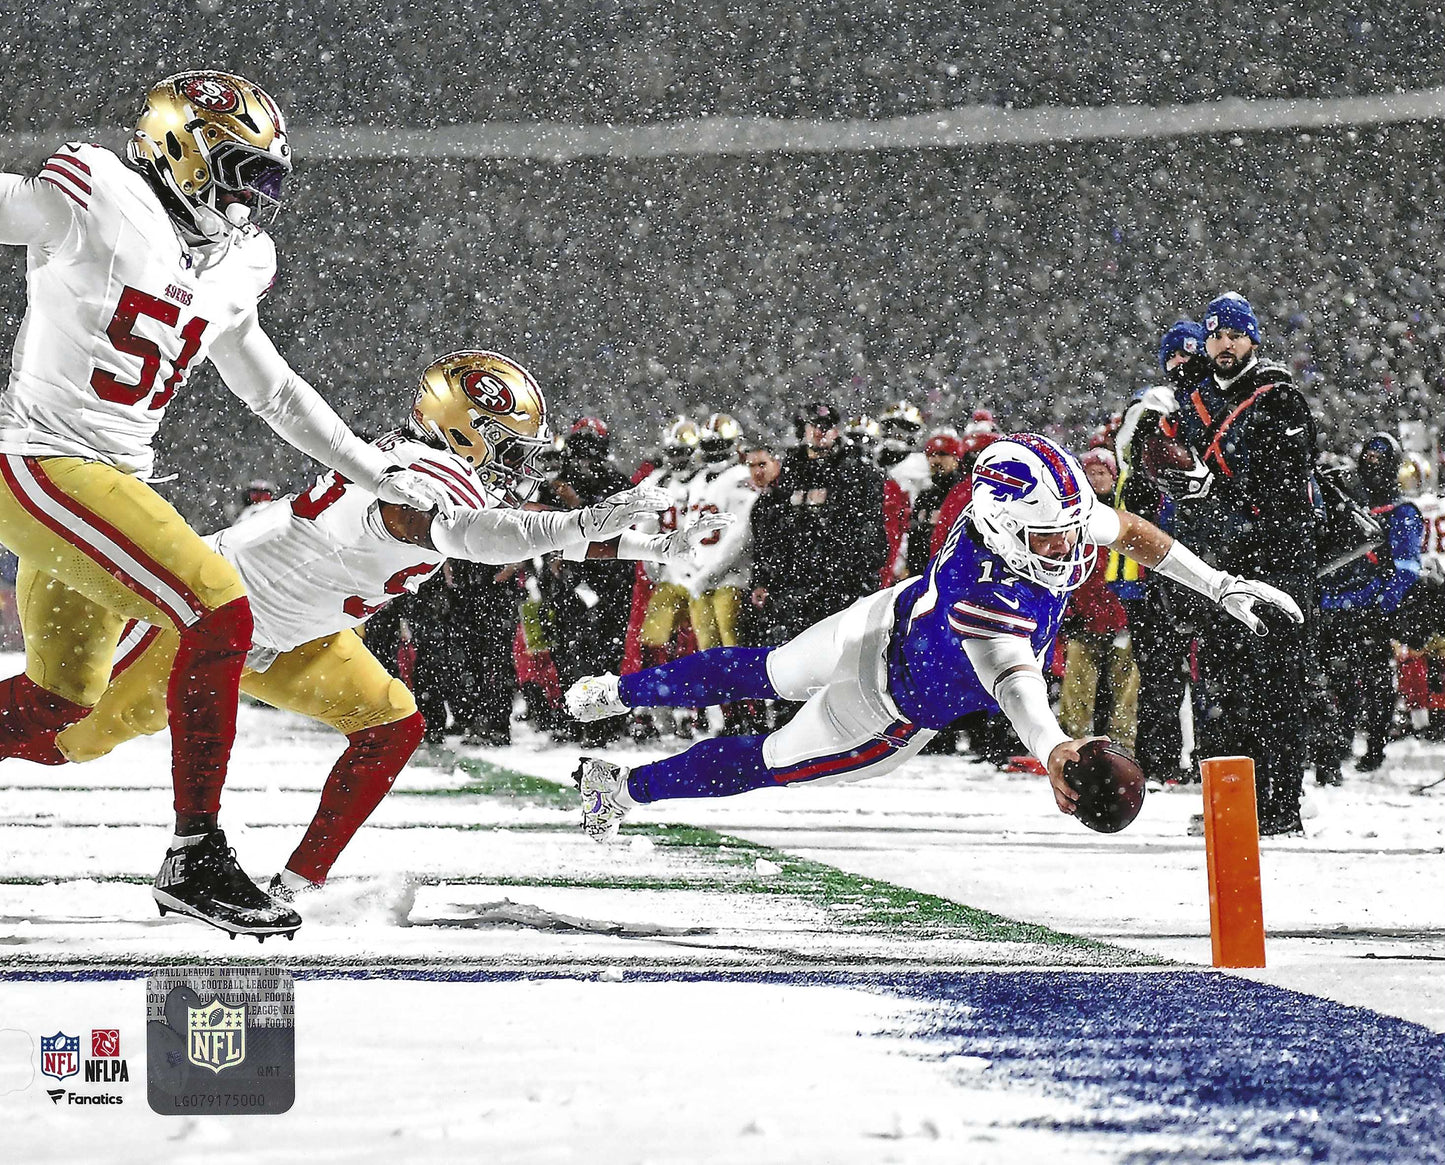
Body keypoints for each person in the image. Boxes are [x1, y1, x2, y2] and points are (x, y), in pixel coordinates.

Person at [0, 71, 459, 938]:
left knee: (59, 707)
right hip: (40, 458)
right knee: (218, 607)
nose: (251, 197)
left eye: (263, 178)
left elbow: (274, 393)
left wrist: (368, 467)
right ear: (180, 146)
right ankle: (195, 855)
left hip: (113, 477)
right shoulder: (97, 192)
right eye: (240, 169)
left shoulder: (235, 260)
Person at [27, 351, 723, 895]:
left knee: (391, 723)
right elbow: (470, 535)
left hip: (296, 633)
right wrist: (573, 521)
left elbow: (515, 532)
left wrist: (650, 545)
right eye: (508, 447)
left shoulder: (449, 476)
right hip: (207, 620)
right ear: (463, 431)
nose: (519, 465)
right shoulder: (416, 472)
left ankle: (298, 882)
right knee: (66, 738)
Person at [563, 433, 1302, 840]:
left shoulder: (1031, 519)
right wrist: (1056, 753)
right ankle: (620, 787)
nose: (1067, 549)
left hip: (888, 617)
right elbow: (1017, 687)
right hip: (884, 708)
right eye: (1048, 539)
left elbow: (1130, 530)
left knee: (769, 671)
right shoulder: (989, 599)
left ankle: (613, 693)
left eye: (1070, 530)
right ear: (1007, 525)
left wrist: (1218, 582)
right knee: (765, 754)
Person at [1167, 293, 1318, 835]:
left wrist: (1221, 492)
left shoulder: (1281, 399)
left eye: (1234, 334)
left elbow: (1284, 494)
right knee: (1219, 695)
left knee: (1277, 691)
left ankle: (1281, 809)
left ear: (1253, 338)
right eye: (1215, 335)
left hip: (1278, 569)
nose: (1223, 344)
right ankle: (1229, 807)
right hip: (1221, 571)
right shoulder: (1196, 399)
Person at [1316, 432, 1423, 780]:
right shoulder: (1345, 503)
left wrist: (1383, 602)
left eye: (1381, 459)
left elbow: (1407, 566)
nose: (1373, 465)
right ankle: (1338, 743)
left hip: (1371, 610)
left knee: (1375, 682)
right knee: (1337, 681)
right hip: (1335, 605)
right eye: (1369, 458)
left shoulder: (1402, 511)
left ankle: (1374, 747)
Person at [749, 401, 886, 642]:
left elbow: (870, 531)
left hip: (839, 585)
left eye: (827, 426)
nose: (821, 432)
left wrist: (860, 580)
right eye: (815, 426)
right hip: (793, 587)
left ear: (836, 430)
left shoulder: (856, 471)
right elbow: (769, 532)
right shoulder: (790, 470)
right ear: (803, 430)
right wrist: (764, 578)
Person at [1058, 448, 1139, 749]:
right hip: (1085, 614)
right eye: (1090, 473)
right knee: (1077, 685)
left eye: (1101, 473)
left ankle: (1122, 744)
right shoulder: (1076, 515)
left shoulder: (1123, 514)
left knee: (1125, 688)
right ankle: (1073, 743)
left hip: (1119, 613)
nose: (1095, 479)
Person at [904, 430, 966, 580]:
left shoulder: (964, 493)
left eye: (942, 454)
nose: (936, 460)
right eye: (931, 455)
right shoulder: (926, 495)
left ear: (956, 458)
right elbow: (914, 535)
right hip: (924, 574)